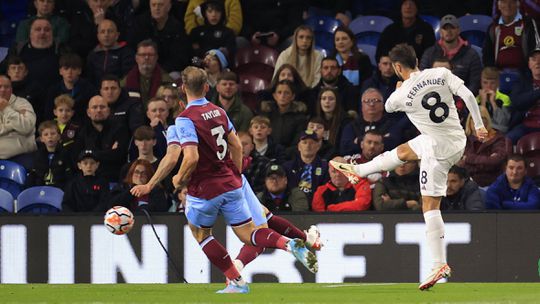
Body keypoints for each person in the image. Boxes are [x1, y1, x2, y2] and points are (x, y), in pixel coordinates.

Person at [331, 43, 488, 290]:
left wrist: (400, 87)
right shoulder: (440, 73)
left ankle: (439, 264)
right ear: (417, 59)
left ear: (396, 67)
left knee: (430, 205)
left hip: (438, 150)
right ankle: (360, 171)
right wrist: (478, 125)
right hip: (456, 138)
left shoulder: (399, 96)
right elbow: (468, 95)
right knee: (404, 151)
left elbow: (389, 107)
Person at [170, 66, 317, 293]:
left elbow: (190, 157)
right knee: (256, 226)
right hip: (232, 180)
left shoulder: (184, 119)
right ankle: (294, 242)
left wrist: (178, 178)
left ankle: (238, 278)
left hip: (207, 186)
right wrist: (236, 172)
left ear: (183, 89)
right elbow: (237, 144)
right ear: (208, 87)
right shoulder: (218, 111)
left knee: (204, 233)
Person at [420, 14, 482, 95]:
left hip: (462, 100)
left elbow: (474, 84)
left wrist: (461, 100)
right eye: (445, 28)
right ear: (441, 32)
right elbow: (422, 79)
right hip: (434, 99)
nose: (448, 31)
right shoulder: (429, 53)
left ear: (458, 30)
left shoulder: (471, 54)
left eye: (452, 28)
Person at [72, 95, 129, 183]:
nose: (99, 110)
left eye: (102, 107)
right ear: (88, 112)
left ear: (108, 110)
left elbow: (120, 155)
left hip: (114, 178)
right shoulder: (82, 131)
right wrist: (109, 152)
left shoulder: (120, 129)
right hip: (88, 179)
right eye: (94, 107)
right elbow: (77, 157)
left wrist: (91, 154)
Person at [128, 0, 190, 73]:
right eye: (153, 5)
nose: (157, 8)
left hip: (169, 70)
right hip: (141, 67)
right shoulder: (139, 24)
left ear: (169, 7)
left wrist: (160, 70)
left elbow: (180, 57)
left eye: (160, 5)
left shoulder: (177, 27)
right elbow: (131, 48)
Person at [459, 107, 510, 187]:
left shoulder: (497, 138)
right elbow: (460, 165)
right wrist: (486, 161)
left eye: (482, 118)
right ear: (469, 121)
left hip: (491, 182)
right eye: (474, 118)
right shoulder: (463, 139)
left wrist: (468, 159)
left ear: (487, 121)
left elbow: (495, 162)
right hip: (467, 183)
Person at [483, 0, 539, 70]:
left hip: (524, 73)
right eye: (504, 2)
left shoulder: (528, 24)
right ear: (499, 6)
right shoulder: (493, 27)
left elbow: (535, 49)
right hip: (499, 73)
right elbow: (487, 55)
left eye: (512, 2)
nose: (508, 6)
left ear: (518, 5)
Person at [44, 53, 96, 123]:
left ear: (79, 71)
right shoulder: (53, 91)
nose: (69, 72)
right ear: (60, 71)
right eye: (66, 69)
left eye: (74, 68)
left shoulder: (89, 89)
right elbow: (48, 115)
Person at [283, 130, 329, 207]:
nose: (308, 146)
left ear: (318, 146)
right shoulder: (287, 167)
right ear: (299, 146)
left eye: (311, 143)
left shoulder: (325, 167)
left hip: (318, 207)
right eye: (305, 143)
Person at [260, 80, 308, 151]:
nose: (282, 96)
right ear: (274, 96)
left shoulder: (300, 118)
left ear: (292, 96)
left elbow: (298, 141)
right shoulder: (266, 114)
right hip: (267, 152)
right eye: (279, 92)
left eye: (287, 93)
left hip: (290, 155)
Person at [0, 75, 37, 167]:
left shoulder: (22, 103)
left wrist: (6, 109)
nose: (3, 90)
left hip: (21, 157)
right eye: (0, 86)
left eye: (6, 87)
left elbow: (26, 127)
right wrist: (11, 126)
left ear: (11, 89)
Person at [122, 39, 173, 105]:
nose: (146, 58)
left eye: (150, 55)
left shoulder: (166, 81)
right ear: (136, 58)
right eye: (143, 55)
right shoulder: (126, 81)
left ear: (156, 57)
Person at [86, 19, 135, 87]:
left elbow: (128, 76)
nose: (106, 35)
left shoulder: (126, 53)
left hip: (119, 91)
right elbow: (89, 79)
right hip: (97, 94)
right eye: (102, 32)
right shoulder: (93, 54)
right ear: (98, 36)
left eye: (110, 31)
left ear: (117, 35)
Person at [507, 48, 540, 143]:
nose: (538, 62)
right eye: (534, 59)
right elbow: (517, 102)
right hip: (526, 125)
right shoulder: (521, 82)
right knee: (507, 140)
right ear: (529, 64)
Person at [27, 120, 72, 189]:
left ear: (59, 137)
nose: (50, 137)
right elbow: (33, 175)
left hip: (59, 190)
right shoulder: (38, 155)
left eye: (53, 133)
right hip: (40, 190)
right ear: (41, 139)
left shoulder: (65, 154)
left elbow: (69, 177)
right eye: (46, 134)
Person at [476, 67, 511, 133]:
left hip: (498, 131)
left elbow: (503, 122)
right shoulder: (477, 99)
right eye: (485, 83)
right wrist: (483, 102)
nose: (488, 86)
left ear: (498, 83)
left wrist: (493, 102)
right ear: (481, 83)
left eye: (492, 83)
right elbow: (477, 123)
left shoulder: (505, 99)